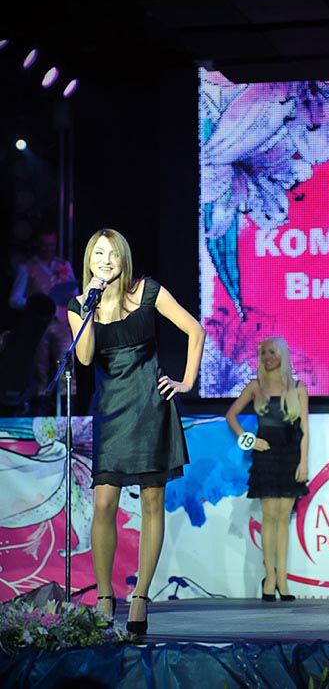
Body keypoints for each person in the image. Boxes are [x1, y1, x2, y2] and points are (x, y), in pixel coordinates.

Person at [67, 228, 205, 633]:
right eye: (98, 254)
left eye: (112, 254)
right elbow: (85, 358)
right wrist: (90, 306)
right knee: (104, 502)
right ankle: (104, 595)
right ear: (89, 262)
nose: (105, 260)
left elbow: (195, 330)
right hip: (111, 412)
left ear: (123, 259)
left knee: (151, 501)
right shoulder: (78, 306)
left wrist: (186, 381)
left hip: (150, 407)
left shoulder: (147, 292)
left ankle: (141, 595)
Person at [225, 336, 309, 602]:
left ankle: (282, 579)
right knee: (270, 517)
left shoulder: (298, 387)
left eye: (272, 352)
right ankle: (269, 578)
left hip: (290, 456)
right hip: (266, 457)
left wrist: (304, 462)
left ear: (282, 354)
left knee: (283, 519)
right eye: (263, 353)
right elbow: (231, 415)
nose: (267, 357)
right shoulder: (255, 386)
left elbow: (305, 430)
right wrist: (249, 439)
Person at [9, 229, 78, 412]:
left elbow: (75, 294)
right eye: (44, 245)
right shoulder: (27, 267)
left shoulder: (64, 265)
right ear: (38, 246)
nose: (48, 249)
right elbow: (15, 299)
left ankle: (67, 408)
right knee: (39, 369)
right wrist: (38, 303)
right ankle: (39, 408)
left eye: (51, 245)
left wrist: (68, 297)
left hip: (61, 324)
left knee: (66, 366)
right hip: (39, 326)